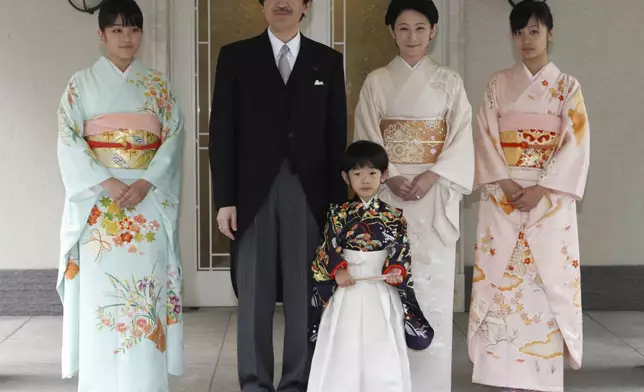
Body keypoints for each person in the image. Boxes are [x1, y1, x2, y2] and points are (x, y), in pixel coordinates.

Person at [208, 0, 348, 390]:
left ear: (306, 6)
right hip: (251, 194)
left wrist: (337, 208)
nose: (282, 3)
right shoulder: (235, 57)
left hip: (308, 192)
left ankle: (297, 382)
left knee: (305, 296)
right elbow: (221, 133)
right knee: (254, 296)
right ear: (262, 5)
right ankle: (254, 382)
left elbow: (337, 137)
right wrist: (224, 199)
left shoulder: (328, 61)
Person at [55, 1, 185, 391]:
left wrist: (146, 182)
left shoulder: (158, 86)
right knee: (102, 298)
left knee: (147, 292)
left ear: (142, 34)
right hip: (101, 209)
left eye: (133, 30)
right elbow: (68, 139)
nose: (126, 38)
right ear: (101, 35)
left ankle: (146, 383)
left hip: (147, 205)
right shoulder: (80, 85)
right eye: (116, 30)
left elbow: (173, 138)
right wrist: (106, 182)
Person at [467, 1, 590, 391]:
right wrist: (504, 183)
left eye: (534, 31)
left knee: (544, 284)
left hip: (547, 198)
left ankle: (541, 374)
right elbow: (485, 134)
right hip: (504, 196)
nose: (526, 40)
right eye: (519, 32)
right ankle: (499, 373)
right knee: (502, 284)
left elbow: (576, 143)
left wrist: (542, 188)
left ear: (550, 33)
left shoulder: (567, 87)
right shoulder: (497, 84)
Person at [352, 0, 474, 390]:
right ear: (392, 32)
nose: (412, 37)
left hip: (433, 194)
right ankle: (389, 379)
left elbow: (460, 136)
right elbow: (367, 135)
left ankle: (432, 382)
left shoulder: (450, 82)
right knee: (389, 283)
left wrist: (432, 175)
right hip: (390, 196)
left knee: (431, 286)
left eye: (420, 28)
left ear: (433, 31)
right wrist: (392, 176)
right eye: (403, 28)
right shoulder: (376, 81)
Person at [307, 140, 433, 392]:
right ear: (346, 177)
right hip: (347, 286)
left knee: (381, 340)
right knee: (345, 338)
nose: (365, 180)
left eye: (372, 173)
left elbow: (401, 249)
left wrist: (396, 268)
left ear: (384, 175)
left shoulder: (393, 215)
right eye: (357, 174)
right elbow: (328, 246)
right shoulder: (338, 213)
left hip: (380, 286)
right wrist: (338, 269)